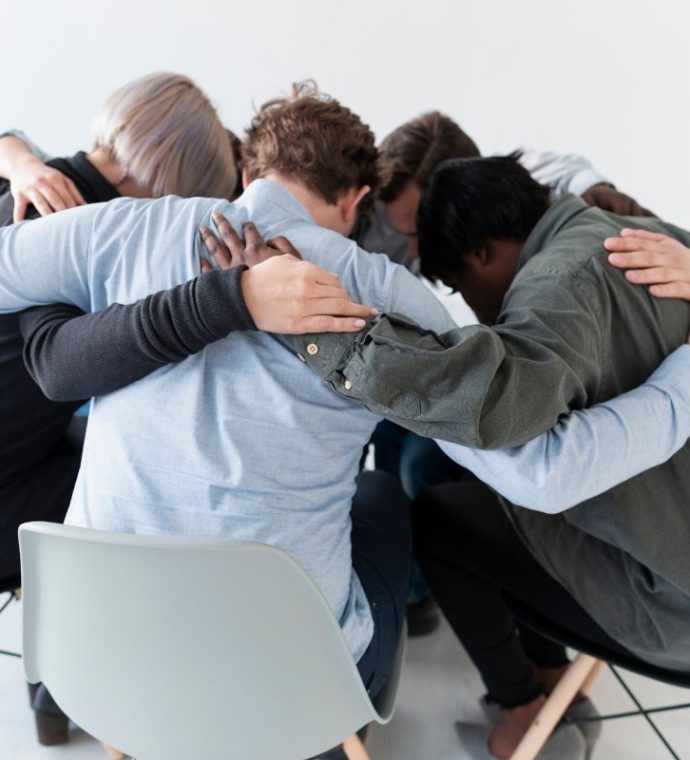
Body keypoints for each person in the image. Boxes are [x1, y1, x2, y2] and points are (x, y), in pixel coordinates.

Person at [1, 84, 690, 759]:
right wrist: (678, 391)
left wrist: (22, 164)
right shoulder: (382, 289)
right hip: (295, 690)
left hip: (95, 664)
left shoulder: (119, 226)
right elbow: (545, 472)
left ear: (248, 171)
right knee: (384, 497)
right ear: (358, 200)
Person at [0, 73, 374, 749]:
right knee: (136, 487)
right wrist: (235, 298)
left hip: (17, 448)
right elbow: (57, 365)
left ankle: (63, 697)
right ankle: (60, 689)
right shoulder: (58, 221)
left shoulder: (37, 182)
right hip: (7, 488)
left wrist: (15, 151)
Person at [289, 154, 690, 758]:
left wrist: (322, 336)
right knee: (472, 489)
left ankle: (523, 708)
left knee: (437, 520)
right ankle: (549, 681)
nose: (472, 305)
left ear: (480, 253)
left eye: (457, 287)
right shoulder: (652, 236)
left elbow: (500, 410)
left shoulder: (555, 288)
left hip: (671, 603)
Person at [356, 111, 654, 636]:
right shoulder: (375, 216)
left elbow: (558, 169)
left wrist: (594, 186)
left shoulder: (537, 260)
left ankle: (481, 603)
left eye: (421, 227)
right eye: (404, 231)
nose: (417, 249)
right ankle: (419, 589)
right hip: (421, 356)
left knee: (424, 470)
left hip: (480, 363)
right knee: (385, 442)